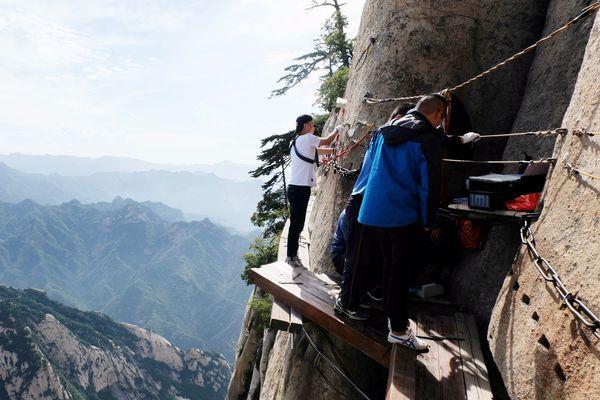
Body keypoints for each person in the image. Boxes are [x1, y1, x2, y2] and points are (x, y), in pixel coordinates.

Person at [357, 94, 478, 350]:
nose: (441, 124)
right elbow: (429, 186)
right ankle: (399, 330)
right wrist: (428, 221)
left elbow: (429, 137)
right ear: (437, 115)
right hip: (402, 215)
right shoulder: (426, 140)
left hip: (375, 211)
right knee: (404, 273)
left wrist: (458, 140)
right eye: (442, 119)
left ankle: (395, 321)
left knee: (390, 269)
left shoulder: (387, 129)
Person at [332, 103, 414, 321]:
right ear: (397, 117)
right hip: (363, 201)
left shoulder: (380, 136)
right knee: (358, 255)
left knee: (370, 253)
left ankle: (359, 294)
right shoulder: (387, 136)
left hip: (371, 202)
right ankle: (346, 303)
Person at [286, 114, 337, 269]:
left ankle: (291, 254)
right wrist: (338, 130)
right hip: (301, 188)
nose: (314, 128)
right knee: (297, 224)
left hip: (295, 187)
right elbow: (327, 140)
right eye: (313, 125)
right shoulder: (308, 138)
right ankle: (291, 256)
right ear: (306, 126)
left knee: (297, 222)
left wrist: (332, 151)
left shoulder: (295, 141)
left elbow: (316, 152)